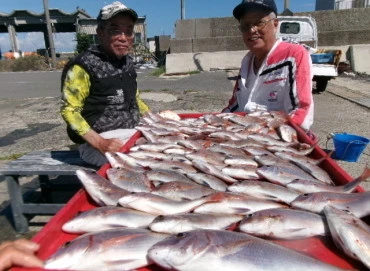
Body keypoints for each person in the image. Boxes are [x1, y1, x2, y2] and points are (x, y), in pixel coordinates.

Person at [60, 1, 149, 167]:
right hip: (99, 143)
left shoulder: (127, 62)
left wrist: (156, 119)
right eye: (115, 30)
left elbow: (135, 99)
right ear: (100, 32)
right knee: (141, 165)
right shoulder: (82, 66)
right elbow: (69, 110)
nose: (123, 37)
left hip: (132, 134)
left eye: (128, 31)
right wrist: (101, 143)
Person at [223, 0, 314, 131]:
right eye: (245, 26)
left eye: (259, 23)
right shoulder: (247, 62)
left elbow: (302, 113)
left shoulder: (294, 55)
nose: (252, 30)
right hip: (245, 137)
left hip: (276, 140)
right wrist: (211, 124)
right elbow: (234, 106)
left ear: (275, 24)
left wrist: (264, 134)